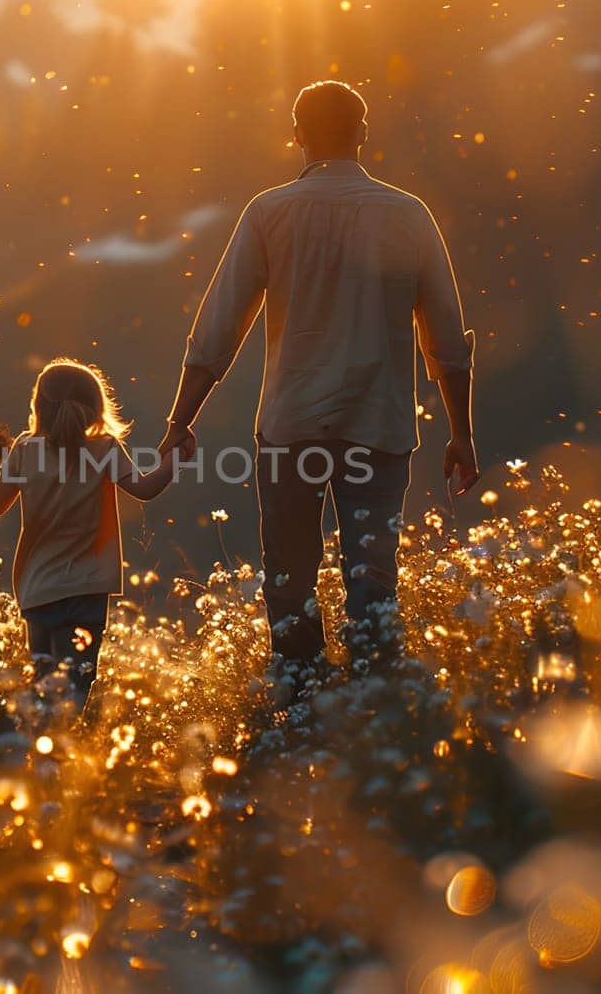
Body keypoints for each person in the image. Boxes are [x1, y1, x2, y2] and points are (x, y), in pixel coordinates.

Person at [159, 80, 479, 662]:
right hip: (378, 428)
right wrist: (461, 433)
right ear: (363, 133)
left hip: (291, 428)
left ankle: (300, 703)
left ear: (297, 134)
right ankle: (376, 704)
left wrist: (181, 419)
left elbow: (218, 328)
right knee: (373, 578)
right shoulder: (409, 214)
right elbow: (448, 339)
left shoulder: (269, 212)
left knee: (289, 580)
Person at [0, 358, 194, 713]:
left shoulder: (25, 450)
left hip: (37, 586)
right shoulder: (104, 449)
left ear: (39, 408)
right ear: (96, 408)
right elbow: (146, 488)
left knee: (41, 685)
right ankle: (61, 755)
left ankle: (23, 755)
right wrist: (176, 459)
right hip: (88, 587)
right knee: (75, 688)